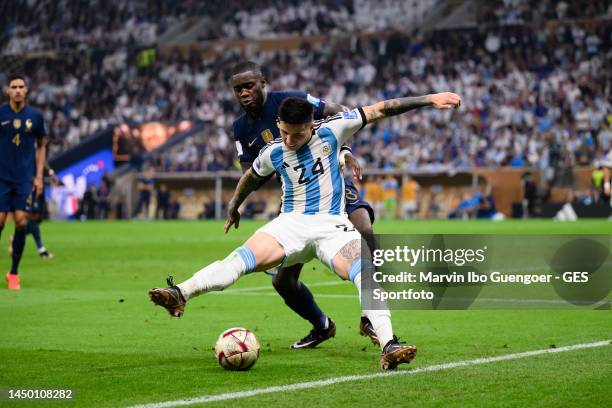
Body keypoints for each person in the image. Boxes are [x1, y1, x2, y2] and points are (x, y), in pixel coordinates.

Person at [150, 92, 462, 369]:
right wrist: (234, 206)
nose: (288, 140)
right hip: (290, 225)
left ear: (311, 126)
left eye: (296, 135)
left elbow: (382, 108)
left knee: (366, 270)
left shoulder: (334, 130)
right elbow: (251, 178)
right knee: (239, 259)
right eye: (284, 132)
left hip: (333, 227)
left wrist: (430, 99)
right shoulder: (274, 151)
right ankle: (181, 293)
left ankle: (388, 344)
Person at [229, 61, 378, 348]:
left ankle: (369, 317)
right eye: (238, 89)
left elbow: (337, 111)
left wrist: (343, 149)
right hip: (297, 202)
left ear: (262, 82)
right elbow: (250, 173)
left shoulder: (290, 102)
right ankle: (322, 325)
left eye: (249, 85)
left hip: (332, 180)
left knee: (364, 229)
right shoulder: (241, 128)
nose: (244, 92)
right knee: (282, 283)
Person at [0, 74, 47, 290]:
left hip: (25, 179)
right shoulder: (1, 113)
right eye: (14, 87)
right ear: (7, 90)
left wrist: (38, 176)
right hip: (2, 177)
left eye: (21, 87)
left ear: (26, 90)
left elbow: (41, 145)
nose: (17, 90)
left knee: (20, 222)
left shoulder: (36, 116)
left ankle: (14, 273)